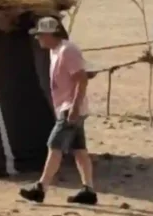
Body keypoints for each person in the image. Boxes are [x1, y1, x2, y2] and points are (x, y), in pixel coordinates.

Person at [19, 16, 97, 205]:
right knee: (79, 150)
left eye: (40, 36)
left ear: (49, 34)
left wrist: (74, 108)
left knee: (54, 146)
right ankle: (88, 190)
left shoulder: (67, 51)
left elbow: (81, 79)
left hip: (70, 108)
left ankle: (41, 188)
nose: (38, 39)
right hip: (69, 106)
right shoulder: (56, 51)